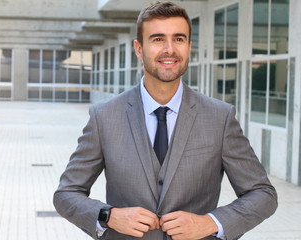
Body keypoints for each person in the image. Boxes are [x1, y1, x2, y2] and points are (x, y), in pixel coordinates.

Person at [53, 2, 277, 240]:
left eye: (179, 39)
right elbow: (67, 193)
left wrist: (211, 222)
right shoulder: (104, 116)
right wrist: (108, 215)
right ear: (139, 49)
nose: (169, 49)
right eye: (158, 39)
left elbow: (262, 193)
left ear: (189, 46)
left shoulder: (220, 117)